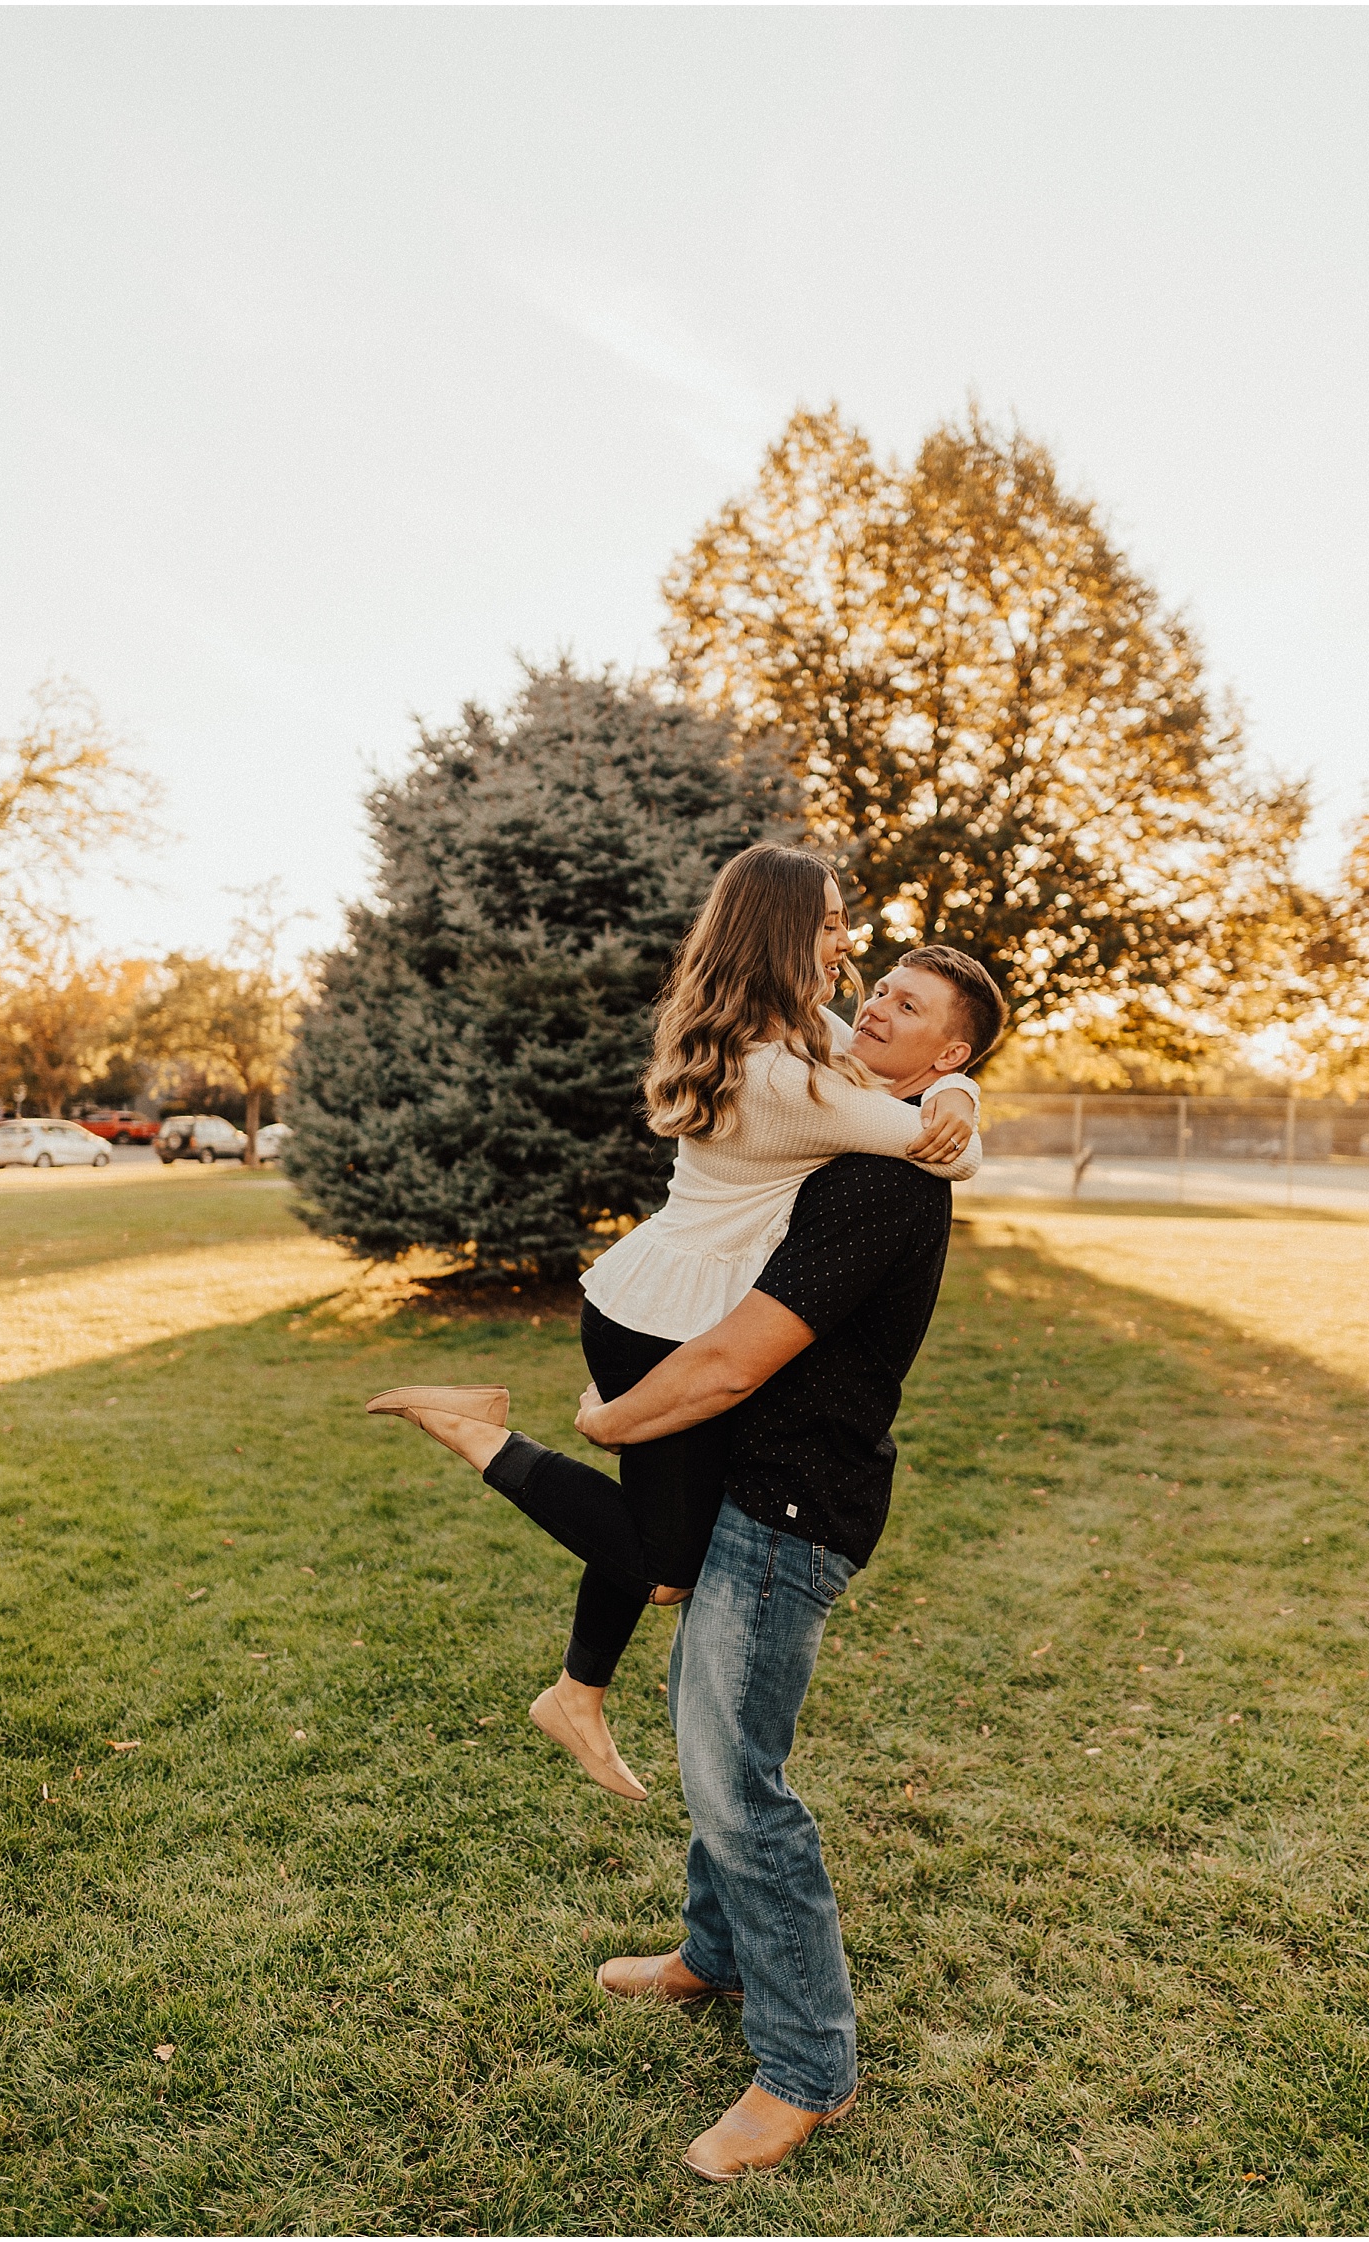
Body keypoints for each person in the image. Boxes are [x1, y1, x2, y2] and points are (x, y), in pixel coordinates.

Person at [385, 934, 1008, 2181]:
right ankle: (711, 1955)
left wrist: (611, 1420)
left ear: (952, 1048)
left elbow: (737, 1357)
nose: (875, 1005)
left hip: (791, 1509)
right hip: (748, 1485)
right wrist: (953, 1095)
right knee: (724, 1749)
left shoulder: (883, 1185)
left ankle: (805, 2069)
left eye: (912, 1008)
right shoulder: (847, 1121)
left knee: (738, 1784)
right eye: (876, 985)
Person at [367, 845, 983, 1800]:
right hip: (668, 1325)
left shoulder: (770, 1029)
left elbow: (911, 1091)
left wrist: (954, 1080)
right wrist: (957, 1095)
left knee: (658, 1527)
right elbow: (950, 1155)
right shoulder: (791, 1080)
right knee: (665, 1564)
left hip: (646, 1301)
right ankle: (474, 1431)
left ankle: (578, 1690)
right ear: (783, 933)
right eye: (826, 921)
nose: (844, 939)